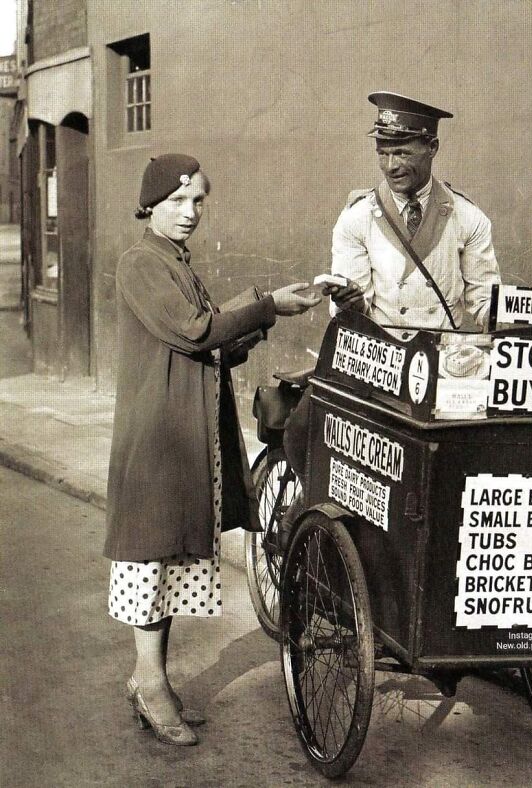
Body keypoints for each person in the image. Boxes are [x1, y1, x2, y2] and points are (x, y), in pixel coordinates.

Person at [104, 153, 320, 746]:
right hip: (157, 439)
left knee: (171, 562)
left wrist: (265, 313)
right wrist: (266, 305)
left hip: (183, 433)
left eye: (197, 201)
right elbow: (193, 330)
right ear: (150, 206)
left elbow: (211, 341)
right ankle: (149, 682)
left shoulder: (175, 263)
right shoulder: (140, 263)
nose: (190, 212)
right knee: (152, 558)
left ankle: (152, 680)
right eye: (177, 201)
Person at [283, 91, 502, 476]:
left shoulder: (469, 219)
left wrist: (507, 321)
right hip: (376, 363)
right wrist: (349, 300)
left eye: (402, 152)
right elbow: (352, 310)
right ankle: (306, 515)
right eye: (383, 153)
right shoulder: (357, 218)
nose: (390, 165)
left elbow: (485, 303)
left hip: (438, 365)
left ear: (431, 147)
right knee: (304, 431)